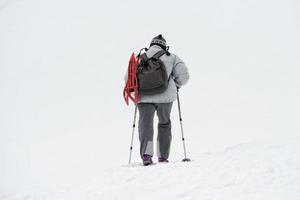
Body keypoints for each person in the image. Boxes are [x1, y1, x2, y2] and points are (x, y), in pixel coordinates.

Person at [127, 34, 189, 165]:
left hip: (143, 97)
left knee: (145, 125)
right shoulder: (172, 57)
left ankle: (146, 155)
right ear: (164, 46)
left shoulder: (139, 58)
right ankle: (162, 156)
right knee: (164, 124)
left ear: (150, 45)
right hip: (165, 97)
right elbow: (184, 77)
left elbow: (127, 79)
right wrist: (176, 85)